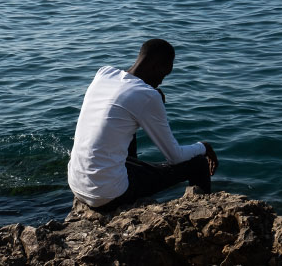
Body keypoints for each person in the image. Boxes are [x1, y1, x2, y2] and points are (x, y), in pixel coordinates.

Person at [67, 38, 219, 212]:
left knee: (123, 124)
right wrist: (204, 147)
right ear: (156, 67)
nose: (162, 81)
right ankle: (204, 214)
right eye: (164, 74)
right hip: (106, 195)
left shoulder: (104, 74)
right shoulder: (147, 96)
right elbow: (175, 156)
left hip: (77, 184)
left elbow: (126, 103)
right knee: (198, 164)